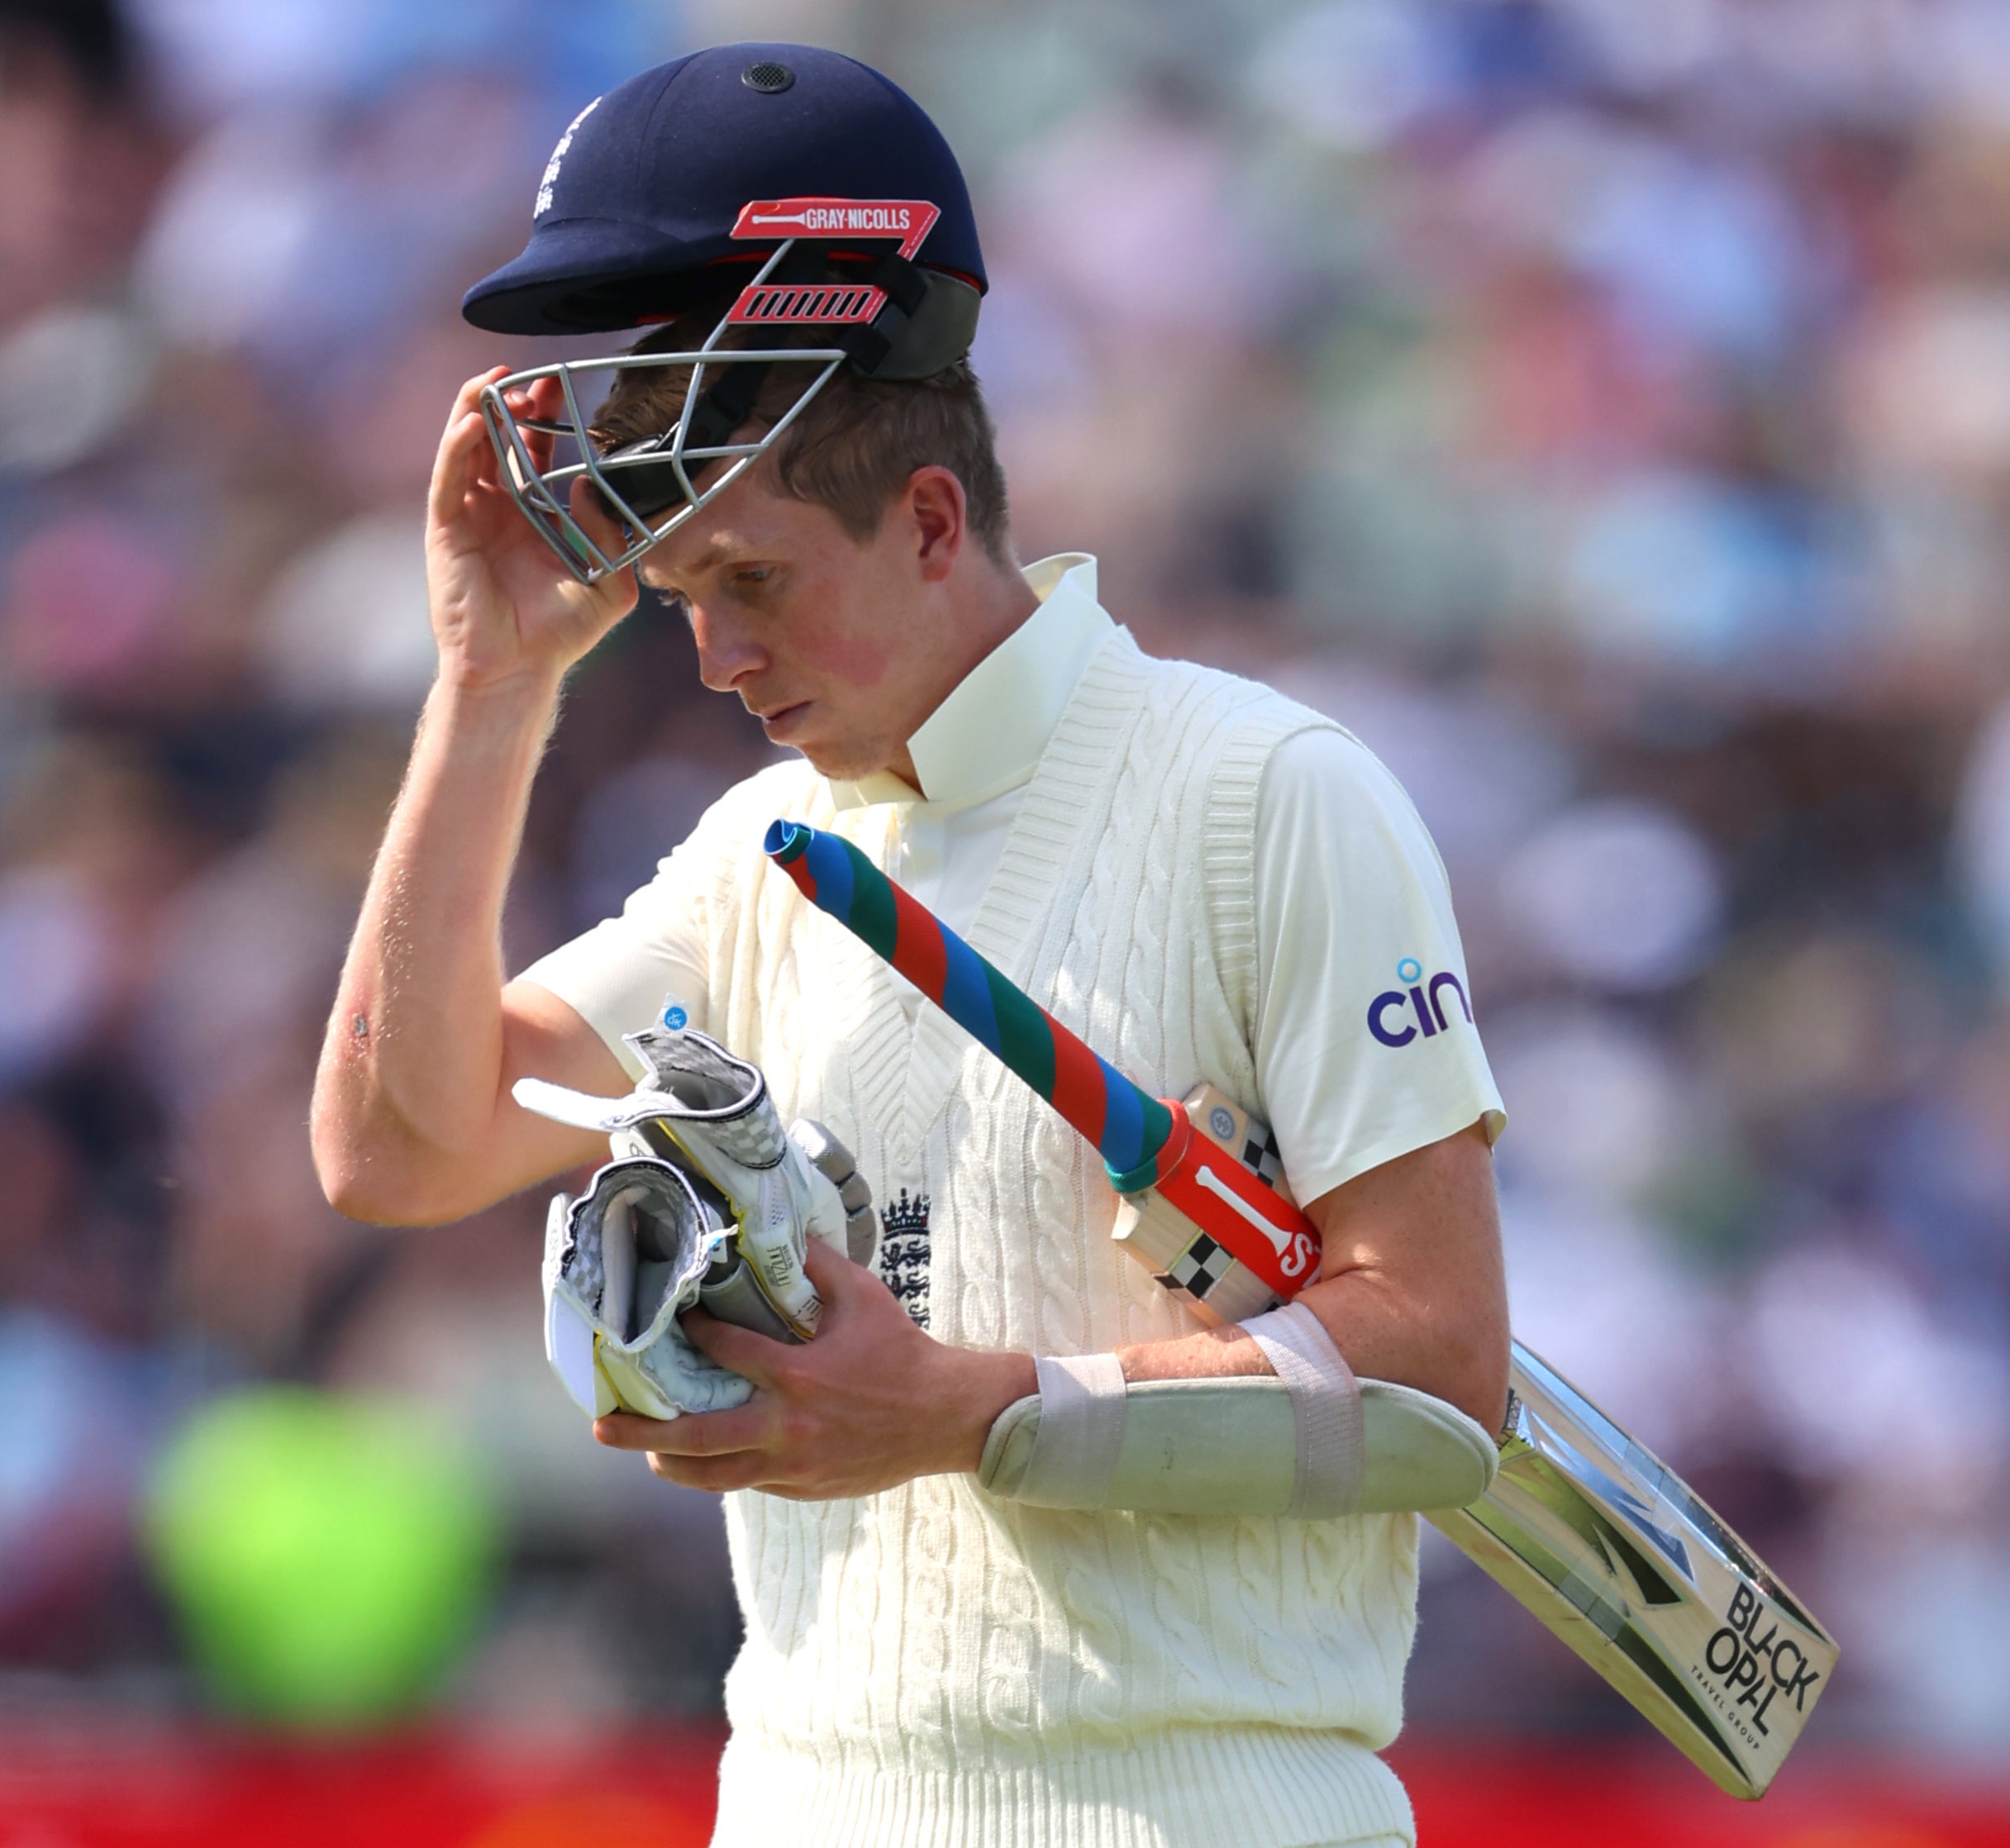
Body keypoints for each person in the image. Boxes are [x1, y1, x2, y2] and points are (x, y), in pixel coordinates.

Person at [310, 41, 1509, 1848]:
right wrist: (488, 685)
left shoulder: (1268, 792)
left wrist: (964, 1408)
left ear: (933, 516)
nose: (712, 659)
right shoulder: (764, 854)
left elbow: (1437, 1367)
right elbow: (397, 1148)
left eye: (756, 579)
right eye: (686, 595)